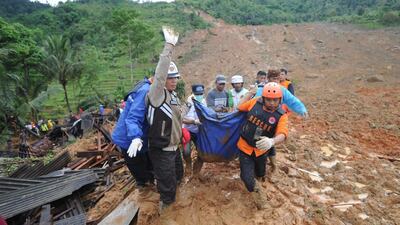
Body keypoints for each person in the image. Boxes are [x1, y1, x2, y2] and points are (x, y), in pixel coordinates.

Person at [145, 26, 184, 213]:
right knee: (167, 183)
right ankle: (166, 210)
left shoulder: (173, 95)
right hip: (162, 148)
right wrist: (168, 47)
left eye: (175, 77)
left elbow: (177, 117)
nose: (173, 81)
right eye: (170, 78)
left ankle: (175, 201)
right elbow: (160, 75)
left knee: (178, 176)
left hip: (174, 147)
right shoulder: (157, 95)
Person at [237, 82, 288, 209]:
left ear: (279, 100)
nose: (272, 103)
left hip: (261, 150)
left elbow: (283, 134)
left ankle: (259, 180)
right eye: (269, 100)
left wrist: (272, 142)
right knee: (246, 177)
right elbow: (239, 107)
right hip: (245, 147)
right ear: (263, 98)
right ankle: (260, 198)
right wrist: (249, 93)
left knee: (260, 173)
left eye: (275, 100)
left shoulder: (281, 115)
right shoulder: (254, 103)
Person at [111, 77, 154, 189]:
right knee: (138, 167)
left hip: (139, 134)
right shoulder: (145, 91)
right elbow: (133, 118)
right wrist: (135, 137)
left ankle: (150, 183)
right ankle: (145, 189)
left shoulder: (145, 85)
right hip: (129, 136)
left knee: (148, 163)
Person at [182, 84, 205, 173]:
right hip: (187, 130)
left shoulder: (203, 101)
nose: (199, 96)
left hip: (198, 131)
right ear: (192, 93)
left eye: (201, 94)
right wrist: (193, 121)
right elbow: (182, 118)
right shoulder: (188, 103)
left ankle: (197, 169)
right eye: (197, 94)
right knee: (186, 151)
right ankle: (188, 163)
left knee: (202, 152)